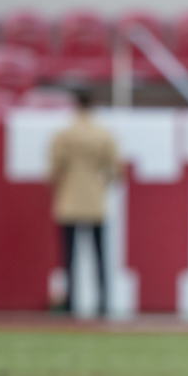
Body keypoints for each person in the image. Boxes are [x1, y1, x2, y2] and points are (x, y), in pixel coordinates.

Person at [48, 87, 122, 316]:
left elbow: (54, 168)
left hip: (70, 198)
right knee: (100, 256)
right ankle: (103, 303)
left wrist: (62, 185)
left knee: (69, 256)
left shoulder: (65, 134)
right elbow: (115, 169)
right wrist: (100, 185)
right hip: (95, 199)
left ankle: (71, 303)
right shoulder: (103, 134)